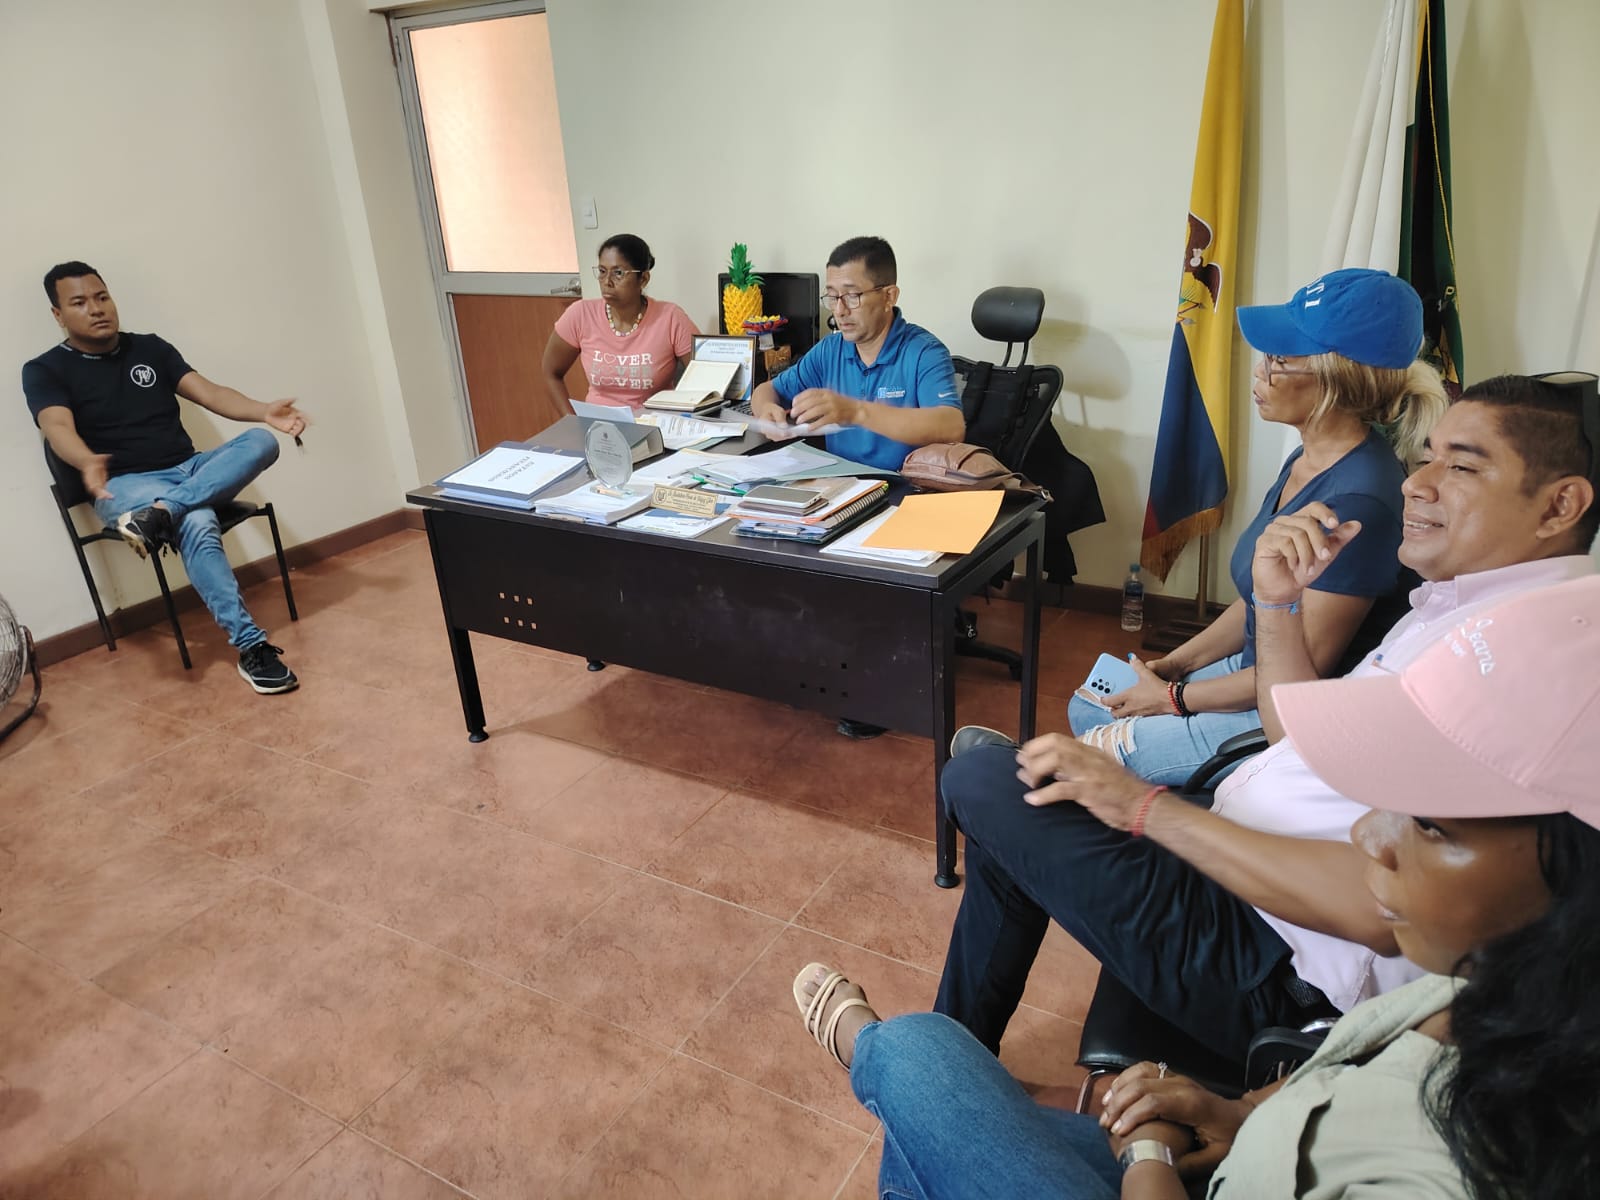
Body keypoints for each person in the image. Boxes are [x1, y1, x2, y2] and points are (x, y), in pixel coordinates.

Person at [795, 573, 1600, 1199]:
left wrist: (1147, 1158)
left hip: (1262, 970)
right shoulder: (1473, 996)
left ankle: (882, 1049)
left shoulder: (1475, 1159)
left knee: (917, 1055)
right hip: (1239, 1126)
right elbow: (1345, 1075)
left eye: (1431, 825)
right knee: (923, 1134)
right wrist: (1241, 1114)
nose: (1369, 836)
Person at [936, 374, 1597, 1064]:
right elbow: (1297, 741)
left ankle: (942, 1057)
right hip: (1248, 857)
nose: (1417, 483)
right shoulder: (1470, 604)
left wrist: (1142, 805)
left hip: (1280, 961)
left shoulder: (1527, 661)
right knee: (1021, 800)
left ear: (1560, 505)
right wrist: (1277, 603)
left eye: (1460, 467)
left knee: (981, 779)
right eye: (1428, 456)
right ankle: (954, 1054)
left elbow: (1390, 904)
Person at [1069, 268, 1447, 787]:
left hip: (1285, 712)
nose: (1259, 372)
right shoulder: (1307, 459)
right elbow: (1258, 599)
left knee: (1093, 749)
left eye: (1279, 360)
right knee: (1088, 706)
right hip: (1253, 666)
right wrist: (1173, 666)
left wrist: (1174, 699)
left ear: (1335, 380)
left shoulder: (1358, 504)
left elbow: (1298, 677)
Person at [23, 262, 307, 694]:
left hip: (188, 469)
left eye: (102, 297)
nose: (96, 309)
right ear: (58, 315)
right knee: (197, 519)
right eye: (79, 303)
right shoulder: (44, 369)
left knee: (261, 441)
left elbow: (210, 393)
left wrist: (263, 410)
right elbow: (56, 426)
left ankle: (161, 514)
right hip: (125, 483)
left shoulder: (150, 348)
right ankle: (251, 647)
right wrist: (86, 460)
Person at [748, 235, 964, 472]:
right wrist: (766, 411)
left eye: (852, 296)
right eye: (833, 297)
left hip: (904, 486)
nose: (840, 311)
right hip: (841, 484)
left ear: (889, 297)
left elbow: (952, 426)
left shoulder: (924, 352)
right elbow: (766, 390)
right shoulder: (830, 350)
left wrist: (855, 412)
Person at [541, 233, 699, 411]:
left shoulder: (670, 318)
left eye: (618, 273)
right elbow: (551, 373)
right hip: (598, 424)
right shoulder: (581, 314)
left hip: (651, 423)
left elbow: (707, 377)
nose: (607, 282)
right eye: (602, 271)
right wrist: (572, 421)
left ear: (643, 279)